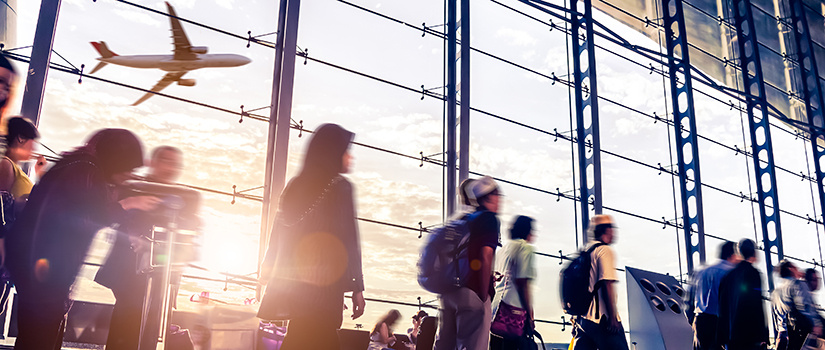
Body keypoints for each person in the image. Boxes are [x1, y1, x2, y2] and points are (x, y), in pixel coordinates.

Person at [4, 129, 161, 349]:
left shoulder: (76, 164)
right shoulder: (87, 170)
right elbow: (88, 218)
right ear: (117, 159)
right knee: (39, 339)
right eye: (127, 169)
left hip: (35, 265)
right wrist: (130, 204)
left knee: (36, 336)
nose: (127, 176)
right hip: (45, 271)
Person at [257, 123, 366, 350]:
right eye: (346, 151)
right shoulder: (341, 187)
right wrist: (357, 287)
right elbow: (349, 240)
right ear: (332, 152)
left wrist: (268, 268)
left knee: (301, 335)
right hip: (325, 287)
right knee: (318, 336)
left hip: (296, 287)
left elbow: (278, 233)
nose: (350, 157)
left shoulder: (295, 186)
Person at [96, 146, 194, 350]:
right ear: (153, 162)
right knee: (127, 324)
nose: (171, 167)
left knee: (150, 327)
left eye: (175, 163)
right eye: (166, 161)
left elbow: (189, 231)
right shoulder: (134, 188)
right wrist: (135, 237)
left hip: (163, 273)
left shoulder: (181, 197)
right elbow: (120, 218)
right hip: (131, 272)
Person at [434, 176, 501, 350]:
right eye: (497, 194)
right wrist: (483, 294)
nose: (499, 199)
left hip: (448, 293)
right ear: (486, 197)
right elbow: (485, 255)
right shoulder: (488, 219)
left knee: (444, 345)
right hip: (472, 293)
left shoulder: (461, 221)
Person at [570, 214, 629, 350]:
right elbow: (606, 284)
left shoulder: (585, 252)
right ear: (606, 230)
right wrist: (613, 318)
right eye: (612, 228)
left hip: (583, 321)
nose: (614, 232)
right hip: (601, 320)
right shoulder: (604, 250)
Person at [490, 215, 536, 350]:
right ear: (527, 231)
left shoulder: (502, 250)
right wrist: (530, 316)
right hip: (514, 313)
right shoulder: (525, 248)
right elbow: (523, 283)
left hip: (496, 311)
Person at [717, 239, 768, 350]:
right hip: (750, 335)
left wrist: (722, 336)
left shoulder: (728, 276)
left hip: (733, 335)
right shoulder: (753, 273)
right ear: (754, 252)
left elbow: (722, 307)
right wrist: (763, 334)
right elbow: (757, 304)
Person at [690, 241, 739, 350]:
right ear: (732, 255)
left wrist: (693, 318)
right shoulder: (731, 272)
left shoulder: (702, 271)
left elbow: (689, 297)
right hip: (720, 322)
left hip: (700, 320)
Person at [771, 260, 822, 350]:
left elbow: (775, 317)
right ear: (790, 269)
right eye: (795, 267)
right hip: (798, 336)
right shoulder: (797, 284)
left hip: (782, 337)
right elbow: (806, 307)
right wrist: (816, 324)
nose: (798, 269)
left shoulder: (775, 292)